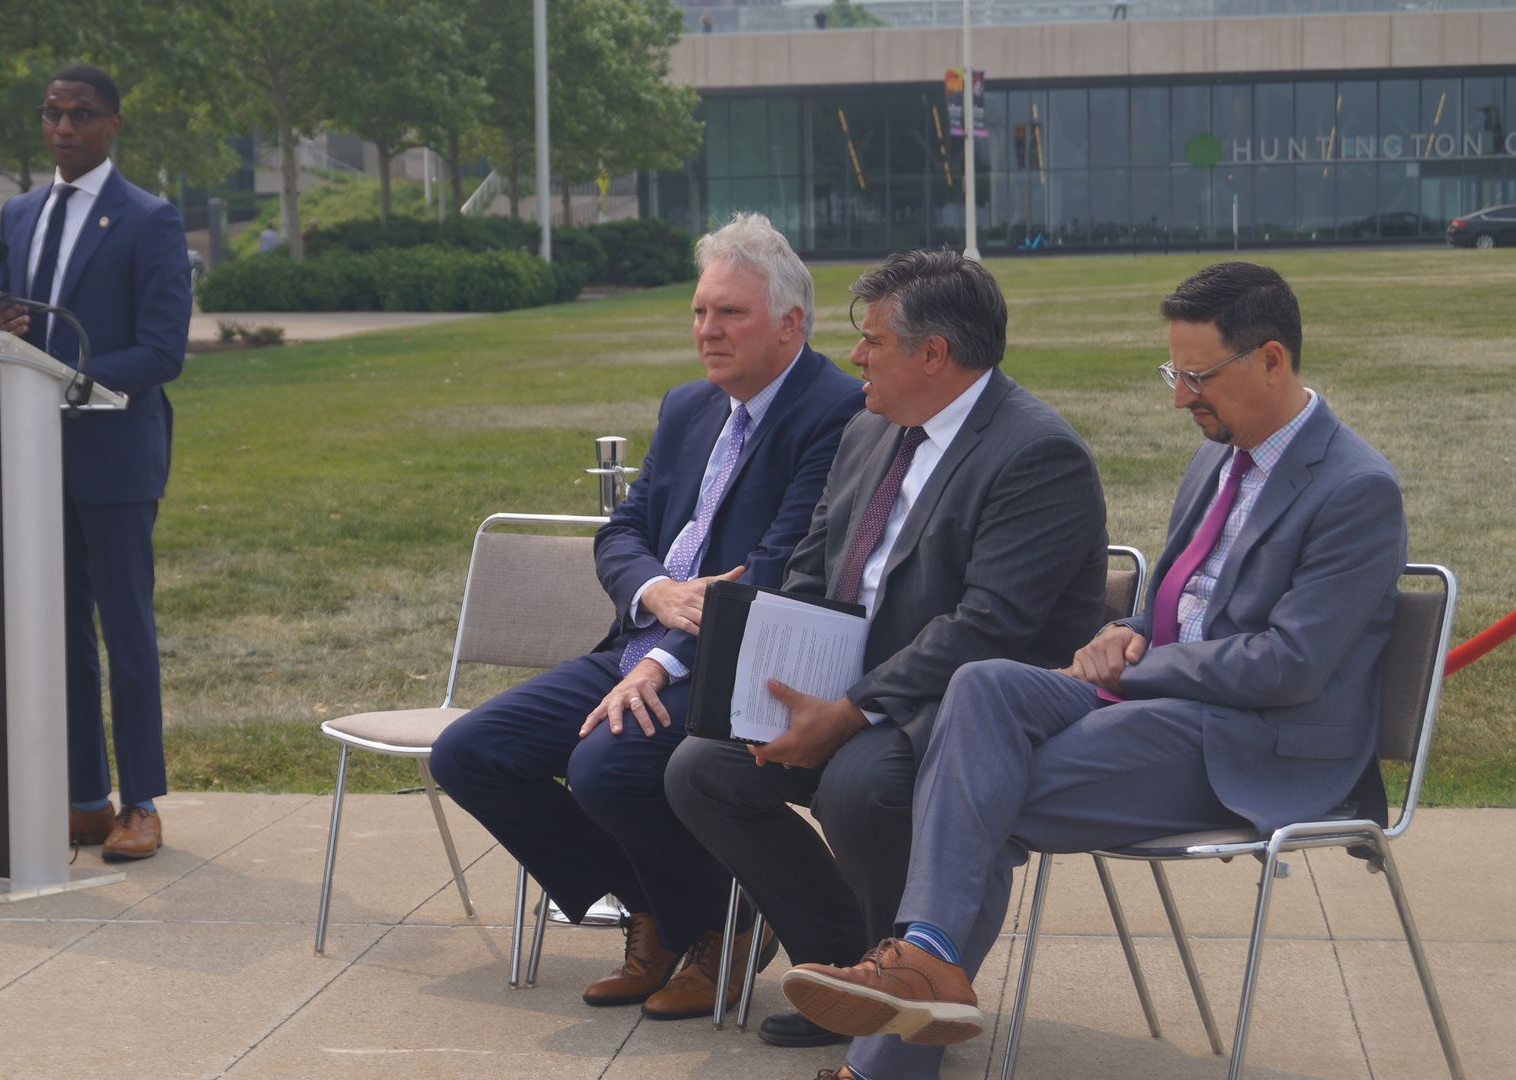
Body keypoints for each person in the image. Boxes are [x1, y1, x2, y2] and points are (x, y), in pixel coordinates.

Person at [781, 262, 1407, 1080]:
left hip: (1257, 747)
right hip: (1163, 708)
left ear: (1272, 361)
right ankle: (927, 959)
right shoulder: (1216, 459)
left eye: (1196, 375)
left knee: (974, 789)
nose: (1180, 396)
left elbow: (1287, 667)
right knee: (984, 686)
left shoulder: (1357, 490)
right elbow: (1179, 607)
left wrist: (1143, 663)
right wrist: (1127, 631)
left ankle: (889, 1044)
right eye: (1172, 373)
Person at [664, 250, 1108, 1050]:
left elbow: (988, 626)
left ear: (933, 355)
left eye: (871, 341)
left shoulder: (1036, 453)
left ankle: (900, 1015)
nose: (856, 357)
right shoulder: (870, 428)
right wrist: (775, 686)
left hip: (966, 704)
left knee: (860, 787)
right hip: (849, 686)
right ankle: (842, 971)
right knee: (703, 769)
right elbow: (812, 564)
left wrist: (849, 712)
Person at [430, 212, 864, 1020]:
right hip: (642, 638)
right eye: (700, 311)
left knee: (605, 767)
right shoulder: (688, 406)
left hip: (739, 662)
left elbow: (778, 567)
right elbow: (623, 531)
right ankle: (674, 913)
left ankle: (712, 930)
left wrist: (662, 661)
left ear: (790, 323)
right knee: (470, 753)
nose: (708, 330)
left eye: (730, 313)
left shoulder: (835, 411)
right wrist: (655, 596)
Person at [0, 64, 192, 861]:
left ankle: (140, 803)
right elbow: (20, 325)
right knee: (61, 633)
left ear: (113, 124)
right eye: (52, 114)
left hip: (116, 451)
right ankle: (83, 799)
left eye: (80, 115)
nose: (63, 128)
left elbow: (163, 349)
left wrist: (77, 380)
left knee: (126, 631)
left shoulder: (149, 219)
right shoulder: (20, 212)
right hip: (37, 453)